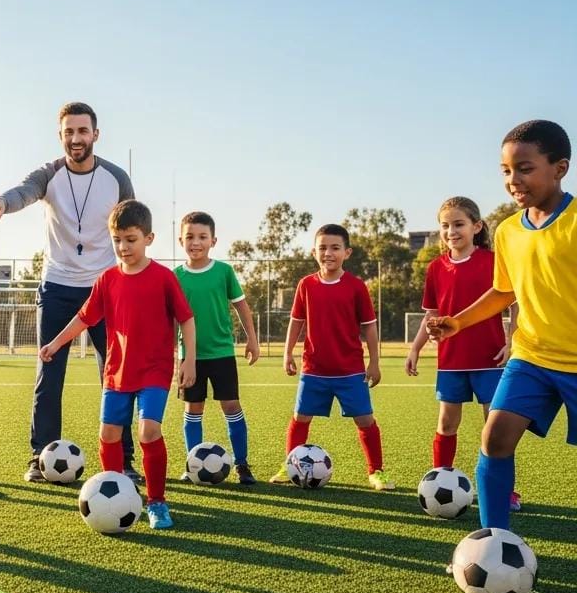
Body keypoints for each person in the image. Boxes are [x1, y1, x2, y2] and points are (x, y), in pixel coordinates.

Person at [428, 119, 575, 530]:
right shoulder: (509, 231)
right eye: (506, 171)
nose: (513, 180)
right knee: (495, 439)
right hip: (532, 357)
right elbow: (502, 293)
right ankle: (494, 539)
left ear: (559, 168)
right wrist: (457, 323)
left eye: (525, 168)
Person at [0, 102, 138, 482]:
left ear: (95, 135)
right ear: (60, 136)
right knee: (48, 372)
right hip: (57, 286)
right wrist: (2, 202)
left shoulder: (116, 177)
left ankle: (123, 460)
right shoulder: (49, 174)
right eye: (69, 132)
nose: (76, 139)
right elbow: (24, 192)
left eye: (82, 131)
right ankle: (40, 455)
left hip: (106, 287)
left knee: (116, 375)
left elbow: (134, 219)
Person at [39, 200, 195, 530]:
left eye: (131, 239)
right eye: (117, 240)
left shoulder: (164, 278)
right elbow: (84, 318)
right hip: (117, 371)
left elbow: (186, 319)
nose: (123, 247)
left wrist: (188, 360)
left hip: (155, 370)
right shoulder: (107, 279)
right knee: (108, 434)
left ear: (149, 238)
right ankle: (118, 494)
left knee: (147, 431)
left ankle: (157, 502)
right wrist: (55, 343)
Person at [406, 196, 519, 509]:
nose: (451, 231)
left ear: (476, 226)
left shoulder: (493, 261)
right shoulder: (435, 268)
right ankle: (439, 481)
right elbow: (431, 314)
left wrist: (511, 342)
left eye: (459, 224)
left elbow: (513, 303)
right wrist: (415, 349)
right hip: (451, 361)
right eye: (445, 225)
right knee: (446, 423)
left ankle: (502, 491)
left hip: (490, 360)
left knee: (495, 429)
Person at [274, 224, 388, 489]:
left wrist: (374, 361)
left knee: (365, 420)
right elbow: (296, 321)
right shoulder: (306, 285)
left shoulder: (357, 287)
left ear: (347, 252)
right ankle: (290, 465)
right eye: (322, 247)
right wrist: (287, 352)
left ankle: (376, 471)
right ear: (314, 252)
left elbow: (369, 326)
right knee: (300, 417)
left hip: (350, 370)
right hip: (314, 369)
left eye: (335, 248)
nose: (328, 253)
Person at [174, 211, 261, 484]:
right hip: (190, 357)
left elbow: (241, 307)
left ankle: (242, 464)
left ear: (213, 241)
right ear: (180, 240)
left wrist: (252, 339)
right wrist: (172, 357)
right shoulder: (175, 276)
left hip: (222, 353)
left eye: (202, 237)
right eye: (190, 237)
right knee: (193, 409)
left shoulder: (224, 271)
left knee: (231, 405)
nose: (195, 242)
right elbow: (170, 320)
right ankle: (192, 464)